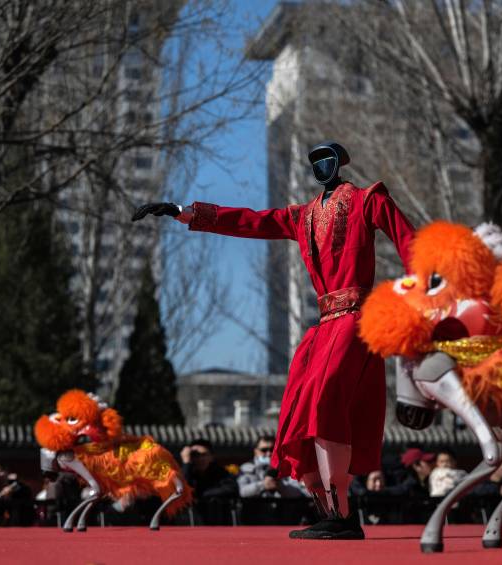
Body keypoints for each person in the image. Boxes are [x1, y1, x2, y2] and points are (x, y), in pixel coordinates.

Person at [134, 141, 415, 539]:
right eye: (315, 160)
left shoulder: (368, 200)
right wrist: (184, 211)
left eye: (327, 159)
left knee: (325, 404)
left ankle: (341, 515)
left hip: (355, 320)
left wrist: (420, 292)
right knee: (300, 415)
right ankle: (331, 513)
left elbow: (410, 242)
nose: (321, 166)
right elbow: (252, 221)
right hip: (324, 327)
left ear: (340, 163)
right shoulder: (303, 215)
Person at [180, 439, 238, 524]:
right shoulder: (187, 472)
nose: (200, 458)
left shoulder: (221, 473)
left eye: (204, 455)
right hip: (192, 521)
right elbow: (181, 489)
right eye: (195, 455)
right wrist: (186, 463)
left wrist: (203, 494)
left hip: (219, 520)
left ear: (211, 457)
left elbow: (231, 489)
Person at [238, 436, 306, 499]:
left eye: (272, 450)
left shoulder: (287, 469)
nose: (268, 453)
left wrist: (280, 486)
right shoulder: (245, 468)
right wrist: (263, 485)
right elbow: (242, 492)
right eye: (264, 450)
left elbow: (300, 493)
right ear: (256, 451)